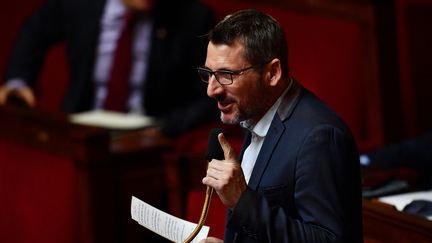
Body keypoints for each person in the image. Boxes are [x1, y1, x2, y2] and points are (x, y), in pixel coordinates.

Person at [198, 9, 363, 242]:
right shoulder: (256, 112)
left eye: (226, 74)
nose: (211, 90)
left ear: (272, 73)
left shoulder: (320, 137)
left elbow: (329, 240)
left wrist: (242, 202)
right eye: (209, 74)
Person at [0, 0, 218, 136]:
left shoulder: (193, 18)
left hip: (147, 139)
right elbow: (35, 31)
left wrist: (165, 127)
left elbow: (208, 96)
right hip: (81, 128)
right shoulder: (78, 4)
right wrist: (19, 81)